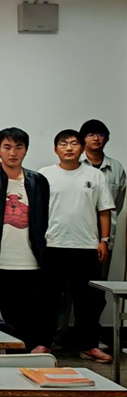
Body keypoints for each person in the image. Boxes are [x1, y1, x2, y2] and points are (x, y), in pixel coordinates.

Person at [39, 130, 115, 363]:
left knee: (88, 301)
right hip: (53, 245)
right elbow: (37, 211)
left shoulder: (94, 175)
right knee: (48, 299)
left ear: (82, 148)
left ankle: (88, 346)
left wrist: (104, 241)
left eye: (74, 143)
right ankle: (43, 343)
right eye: (63, 144)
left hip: (86, 247)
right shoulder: (44, 175)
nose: (69, 148)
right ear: (55, 149)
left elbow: (104, 210)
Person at [0, 127, 50, 352]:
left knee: (27, 315)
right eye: (7, 147)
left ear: (26, 150)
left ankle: (26, 356)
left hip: (29, 261)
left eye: (18, 147)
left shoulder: (38, 181)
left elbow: (44, 217)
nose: (13, 153)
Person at [79, 119, 127, 281]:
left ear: (106, 138)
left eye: (100, 134)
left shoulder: (116, 168)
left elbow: (117, 204)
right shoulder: (75, 164)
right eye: (90, 134)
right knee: (72, 285)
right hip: (77, 234)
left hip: (104, 238)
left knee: (99, 282)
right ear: (82, 139)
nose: (96, 138)